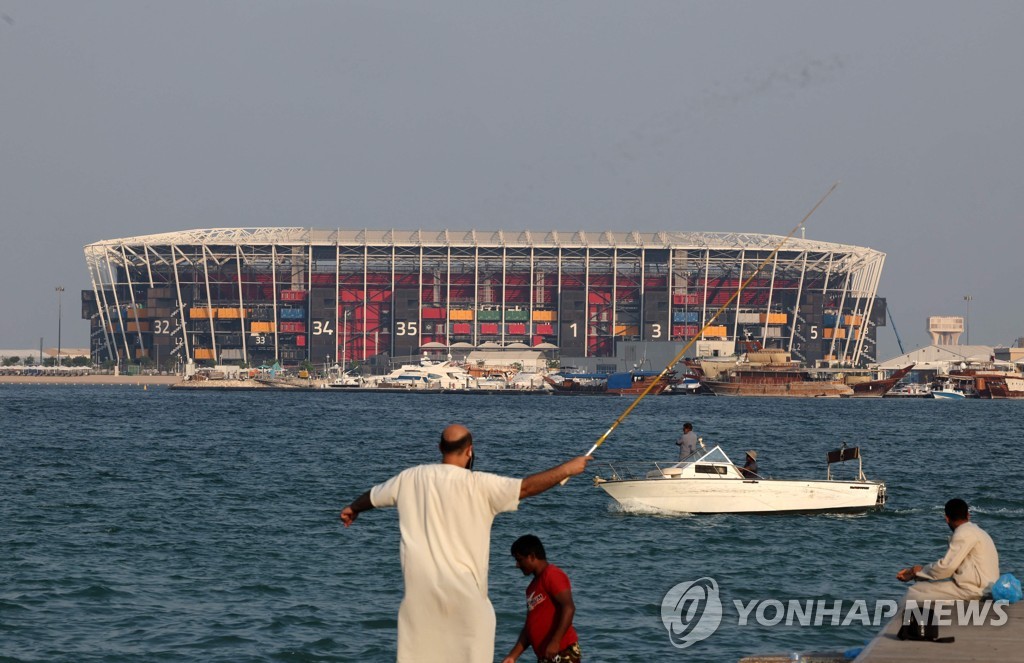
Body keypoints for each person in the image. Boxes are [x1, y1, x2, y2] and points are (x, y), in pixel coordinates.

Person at [340, 424, 593, 662]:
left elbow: (373, 496)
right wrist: (568, 468)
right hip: (469, 606)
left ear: (440, 449)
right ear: (470, 450)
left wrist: (353, 508)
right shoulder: (480, 484)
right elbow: (526, 488)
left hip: (420, 607)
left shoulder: (410, 478)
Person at [897, 498, 1000, 601]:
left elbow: (946, 568)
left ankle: (896, 617)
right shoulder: (980, 532)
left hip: (975, 590)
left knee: (915, 591)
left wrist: (917, 572)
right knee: (927, 586)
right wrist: (917, 574)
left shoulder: (963, 533)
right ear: (968, 515)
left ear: (946, 518)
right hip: (988, 588)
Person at [502, 535, 581, 663]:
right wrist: (512, 656)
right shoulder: (531, 588)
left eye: (519, 560)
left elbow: (569, 607)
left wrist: (555, 642)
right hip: (545, 655)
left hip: (562, 651)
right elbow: (529, 627)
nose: (517, 565)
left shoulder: (552, 575)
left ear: (532, 556)